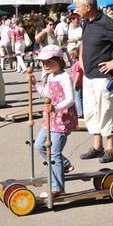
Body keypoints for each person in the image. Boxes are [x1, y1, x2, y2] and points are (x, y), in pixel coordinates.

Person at [76, 0, 113, 163]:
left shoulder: (106, 23)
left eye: (79, 6)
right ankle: (97, 146)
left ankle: (110, 149)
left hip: (103, 77)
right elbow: (84, 43)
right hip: (89, 76)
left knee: (105, 111)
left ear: (87, 7)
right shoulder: (86, 22)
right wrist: (81, 59)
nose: (76, 9)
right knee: (91, 112)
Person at [30, 45, 77, 197]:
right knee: (39, 145)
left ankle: (57, 188)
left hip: (62, 119)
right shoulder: (50, 77)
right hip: (50, 118)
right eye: (44, 63)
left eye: (49, 62)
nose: (46, 66)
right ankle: (65, 164)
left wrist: (56, 108)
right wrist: (35, 84)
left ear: (59, 61)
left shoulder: (65, 77)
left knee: (55, 152)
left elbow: (70, 99)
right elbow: (47, 94)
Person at [69, 47, 83, 118]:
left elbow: (78, 74)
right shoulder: (77, 63)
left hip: (77, 84)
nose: (70, 57)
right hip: (77, 83)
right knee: (78, 98)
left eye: (72, 55)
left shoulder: (77, 64)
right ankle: (80, 112)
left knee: (77, 99)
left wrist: (74, 82)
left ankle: (80, 113)